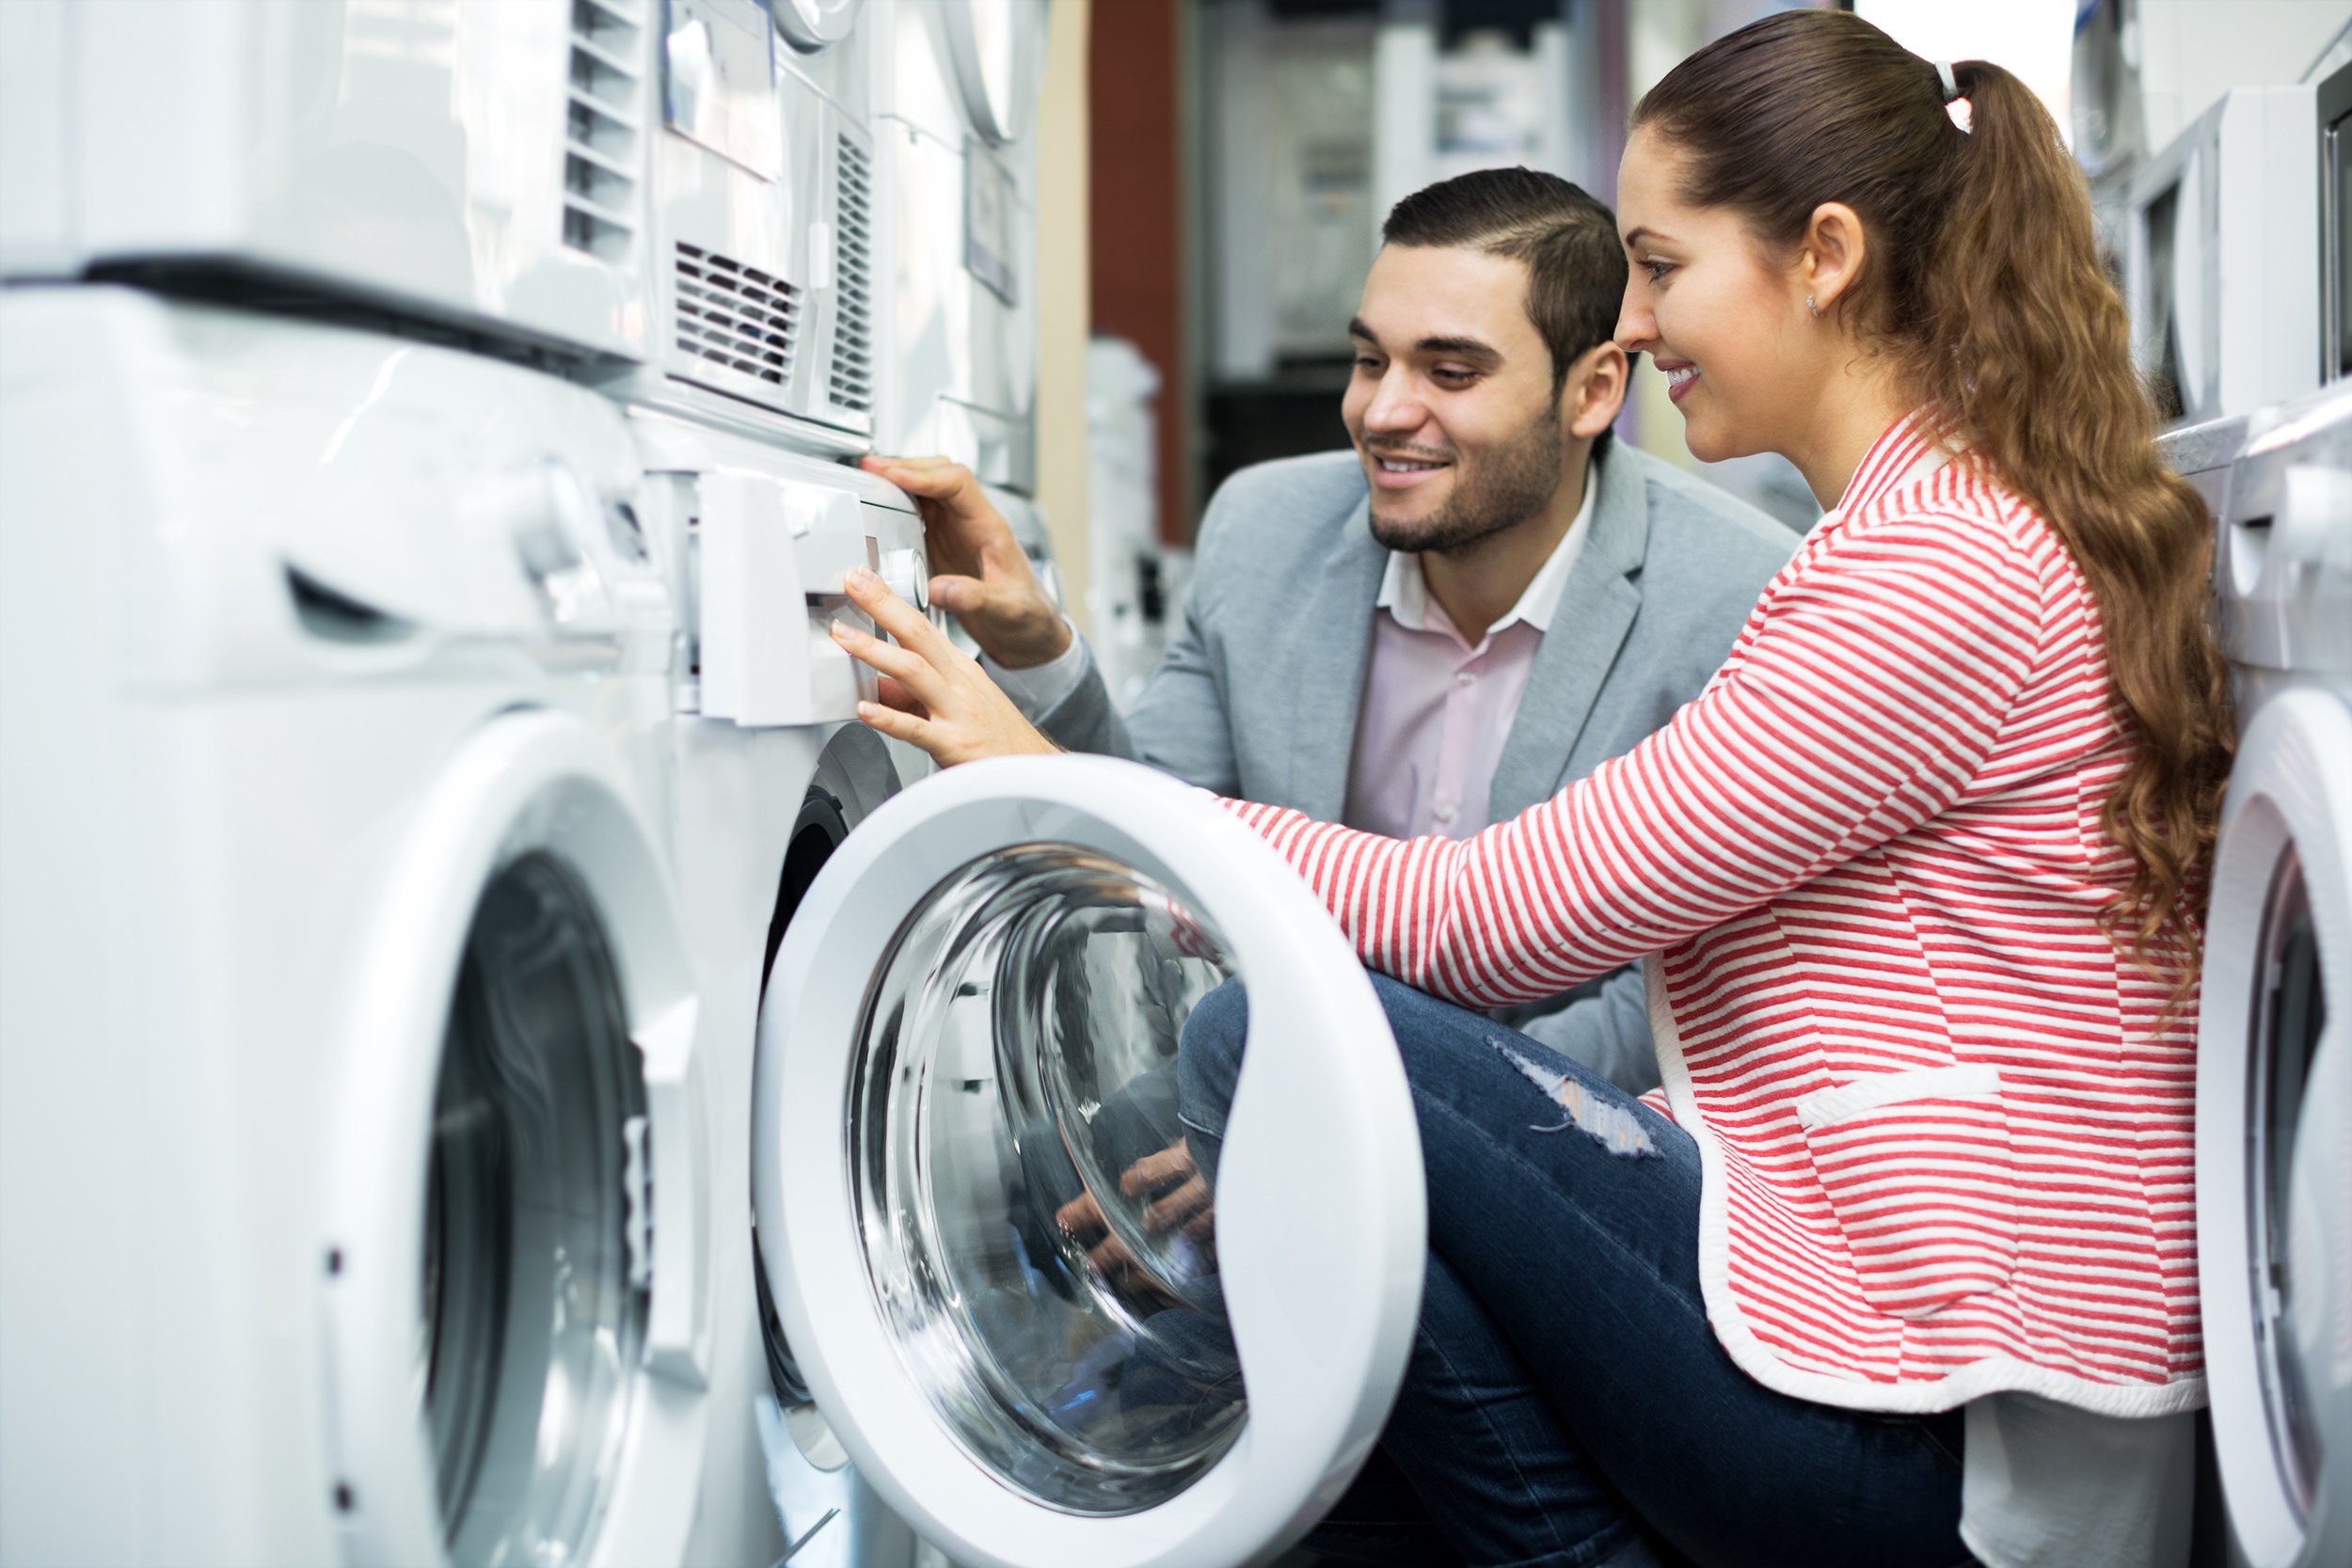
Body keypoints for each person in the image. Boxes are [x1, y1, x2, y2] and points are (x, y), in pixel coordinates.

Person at [827, 10, 2228, 1567]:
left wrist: (1051, 785)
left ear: (1822, 255)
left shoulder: (1933, 570)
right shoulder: (1935, 533)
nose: (1635, 318)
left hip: (1953, 1444)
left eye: (1662, 263)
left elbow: (1504, 928)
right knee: (1323, 1364)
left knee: (1261, 1063)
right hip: (1902, 1359)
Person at [865, 167, 1797, 1095]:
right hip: (1270, 1075)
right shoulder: (1261, 527)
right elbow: (1165, 844)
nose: (1382, 412)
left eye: (1450, 370)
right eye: (1368, 359)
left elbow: (1676, 996)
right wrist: (1039, 654)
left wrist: (1323, 1106)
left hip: (1562, 1140)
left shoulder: (1740, 592)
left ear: (1593, 392)